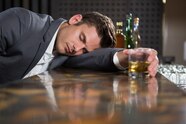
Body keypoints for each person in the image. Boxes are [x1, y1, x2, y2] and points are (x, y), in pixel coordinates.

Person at [0, 7, 159, 83]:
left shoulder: (68, 55)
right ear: (75, 19)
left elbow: (98, 57)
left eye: (85, 50)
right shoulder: (22, 21)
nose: (76, 49)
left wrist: (129, 55)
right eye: (81, 37)